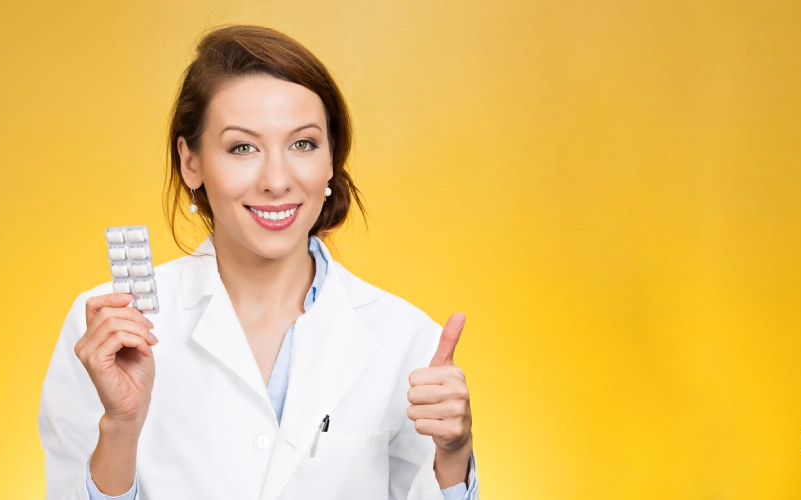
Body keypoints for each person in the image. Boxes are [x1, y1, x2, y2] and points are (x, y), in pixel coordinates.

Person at [39, 25, 478, 500]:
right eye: (242, 147)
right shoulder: (109, 330)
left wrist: (454, 455)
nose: (276, 180)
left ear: (332, 159)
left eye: (303, 144)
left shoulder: (406, 339)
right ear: (191, 162)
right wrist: (121, 428)